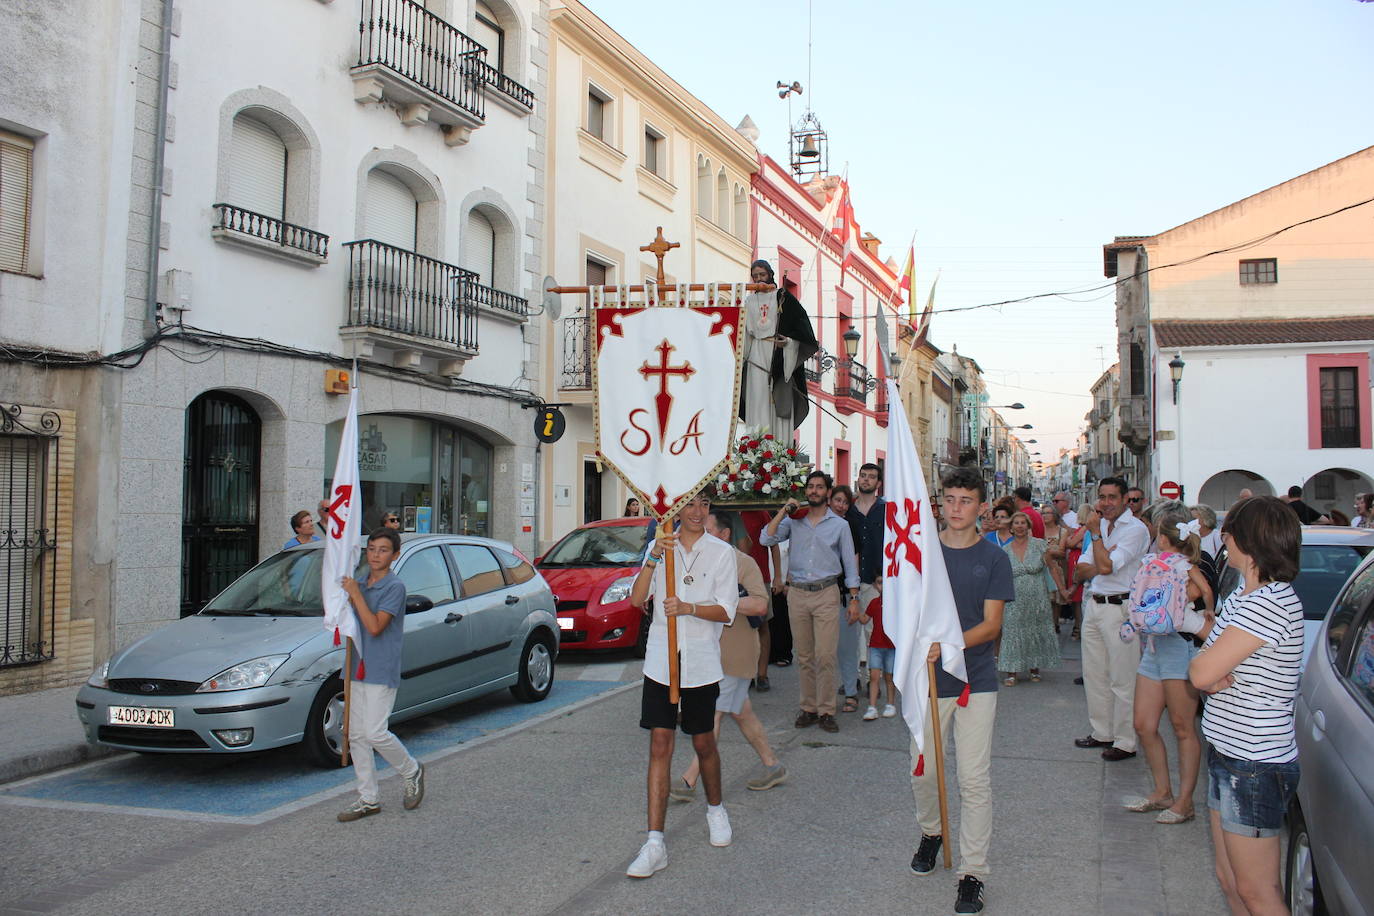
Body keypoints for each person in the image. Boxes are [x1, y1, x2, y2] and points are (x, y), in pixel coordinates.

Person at [1189, 496, 1303, 916]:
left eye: (1229, 531)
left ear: (1246, 541)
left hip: (1253, 762)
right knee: (1230, 880)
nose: (1223, 538)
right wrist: (1208, 663)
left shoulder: (1267, 603)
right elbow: (1210, 656)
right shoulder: (1246, 595)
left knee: (1257, 892)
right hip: (1230, 750)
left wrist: (1209, 671)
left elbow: (1201, 674)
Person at [909, 467, 1014, 916]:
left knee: (974, 780)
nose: (956, 508)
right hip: (927, 681)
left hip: (976, 680)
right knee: (924, 772)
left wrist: (946, 644)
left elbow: (992, 626)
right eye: (949, 499)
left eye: (965, 501)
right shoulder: (920, 555)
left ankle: (973, 873)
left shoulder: (994, 558)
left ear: (981, 507)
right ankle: (933, 831)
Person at [625, 491, 739, 878]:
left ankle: (715, 808)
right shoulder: (661, 547)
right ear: (676, 508)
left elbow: (727, 609)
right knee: (660, 741)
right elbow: (637, 600)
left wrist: (688, 608)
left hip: (701, 661)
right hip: (661, 659)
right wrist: (655, 556)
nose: (697, 512)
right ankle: (655, 841)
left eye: (704, 505)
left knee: (703, 741)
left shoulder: (721, 552)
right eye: (690, 504)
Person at [671, 510, 787, 802]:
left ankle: (689, 779)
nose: (700, 536)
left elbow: (761, 605)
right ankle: (772, 765)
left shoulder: (743, 563)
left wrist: (721, 602)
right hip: (711, 651)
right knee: (741, 712)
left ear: (724, 535)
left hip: (736, 652)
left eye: (707, 530)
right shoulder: (699, 562)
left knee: (714, 715)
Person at [1124, 502, 1212, 826]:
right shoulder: (1159, 563)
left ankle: (1185, 801)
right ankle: (1162, 791)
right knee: (1144, 724)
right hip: (1155, 646)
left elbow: (1200, 597)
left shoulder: (1196, 564)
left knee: (1182, 727)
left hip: (1180, 646)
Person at [759, 471, 860, 734]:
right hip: (798, 594)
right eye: (810, 487)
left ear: (828, 492)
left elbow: (850, 563)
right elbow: (765, 538)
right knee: (804, 656)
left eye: (819, 487)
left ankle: (826, 711)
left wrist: (854, 598)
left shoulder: (840, 525)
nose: (814, 491)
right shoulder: (794, 522)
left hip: (827, 593)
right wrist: (783, 510)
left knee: (825, 655)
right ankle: (808, 707)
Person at [337, 527, 424, 822]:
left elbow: (375, 626)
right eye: (372, 549)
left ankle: (410, 769)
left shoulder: (394, 587)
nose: (375, 555)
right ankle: (368, 798)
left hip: (380, 667)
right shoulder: (359, 583)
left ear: (395, 555)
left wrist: (355, 595)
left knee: (375, 732)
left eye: (383, 550)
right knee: (357, 736)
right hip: (357, 667)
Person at [1073, 477, 1152, 762]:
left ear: (1124, 499)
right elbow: (1081, 570)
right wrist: (1097, 561)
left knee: (1122, 678)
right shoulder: (1103, 525)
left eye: (1112, 498)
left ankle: (1125, 740)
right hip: (1095, 604)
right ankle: (1102, 731)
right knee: (1095, 674)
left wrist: (1095, 540)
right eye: (1102, 497)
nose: (1105, 503)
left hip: (1120, 608)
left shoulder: (1135, 530)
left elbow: (1104, 566)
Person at [739, 259, 819, 442]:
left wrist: (789, 343)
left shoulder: (783, 297)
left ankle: (778, 447)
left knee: (776, 403)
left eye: (762, 275)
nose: (759, 279)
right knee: (756, 399)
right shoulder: (749, 301)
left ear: (770, 274)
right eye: (755, 276)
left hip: (779, 355)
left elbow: (802, 330)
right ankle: (755, 447)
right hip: (756, 354)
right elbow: (744, 334)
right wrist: (741, 358)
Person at [997, 512, 1060, 685]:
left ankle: (1035, 669)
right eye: (1016, 523)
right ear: (1010, 527)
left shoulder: (1040, 545)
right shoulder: (1004, 551)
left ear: (1028, 526)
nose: (1019, 526)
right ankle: (1012, 672)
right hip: (1013, 598)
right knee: (1012, 632)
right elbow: (1000, 577)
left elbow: (1052, 567)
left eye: (1023, 523)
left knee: (1035, 630)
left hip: (1037, 597)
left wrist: (1062, 590)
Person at [849, 462, 888, 695]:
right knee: (851, 635)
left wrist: (883, 576)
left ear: (878, 483)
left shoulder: (885, 510)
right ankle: (853, 678)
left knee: (873, 633)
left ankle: (873, 681)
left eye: (871, 477)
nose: (865, 480)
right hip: (852, 580)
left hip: (876, 580)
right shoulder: (848, 511)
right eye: (862, 476)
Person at [830, 484, 864, 712]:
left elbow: (854, 559)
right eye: (837, 500)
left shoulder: (849, 525)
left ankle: (851, 691)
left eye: (845, 502)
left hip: (844, 592)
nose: (841, 506)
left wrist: (854, 595)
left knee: (848, 648)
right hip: (822, 592)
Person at [858, 593, 896, 720]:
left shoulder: (897, 602)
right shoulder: (874, 602)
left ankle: (890, 704)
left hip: (891, 646)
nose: (883, 587)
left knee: (889, 677)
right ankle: (872, 707)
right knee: (874, 677)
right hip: (876, 645)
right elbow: (864, 619)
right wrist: (855, 608)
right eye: (879, 583)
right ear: (875, 585)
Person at [1040, 504, 1070, 632]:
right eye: (1043, 513)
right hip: (1042, 567)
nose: (1045, 516)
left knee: (1056, 599)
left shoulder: (1062, 531)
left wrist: (1046, 551)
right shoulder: (1039, 530)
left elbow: (1062, 552)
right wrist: (1053, 549)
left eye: (1048, 513)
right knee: (1045, 598)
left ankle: (1055, 623)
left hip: (1056, 567)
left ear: (1054, 515)